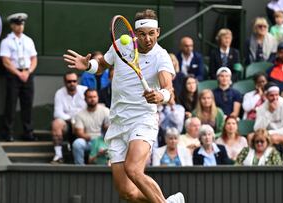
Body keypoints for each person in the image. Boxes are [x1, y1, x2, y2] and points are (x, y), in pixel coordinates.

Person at [63, 9, 185, 203]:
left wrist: (160, 95)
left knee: (133, 169)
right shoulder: (121, 45)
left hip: (143, 120)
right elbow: (102, 64)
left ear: (158, 32)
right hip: (118, 122)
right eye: (142, 34)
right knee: (127, 192)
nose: (147, 39)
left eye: (152, 34)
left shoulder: (161, 57)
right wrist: (88, 65)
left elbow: (168, 88)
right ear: (134, 34)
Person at [0, 13, 37, 141]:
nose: (20, 27)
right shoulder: (6, 41)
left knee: (28, 104)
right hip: (14, 75)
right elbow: (5, 61)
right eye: (17, 24)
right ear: (12, 25)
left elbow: (34, 59)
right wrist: (18, 73)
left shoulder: (28, 40)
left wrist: (28, 72)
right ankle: (7, 133)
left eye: (22, 24)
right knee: (11, 104)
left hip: (27, 74)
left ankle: (28, 132)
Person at [51, 71, 88, 163]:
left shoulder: (84, 90)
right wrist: (72, 120)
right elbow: (57, 113)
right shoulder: (59, 93)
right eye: (69, 81)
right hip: (68, 122)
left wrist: (78, 121)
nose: (72, 83)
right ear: (65, 82)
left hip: (85, 122)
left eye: (74, 81)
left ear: (77, 81)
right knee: (56, 123)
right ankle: (58, 155)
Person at [72, 89, 110, 165]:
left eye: (94, 97)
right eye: (90, 97)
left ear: (98, 98)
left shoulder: (106, 111)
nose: (92, 99)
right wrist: (93, 138)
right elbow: (80, 133)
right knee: (77, 143)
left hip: (103, 140)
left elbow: (111, 129)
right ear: (85, 98)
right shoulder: (80, 114)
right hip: (88, 141)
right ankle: (80, 169)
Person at [253, 82, 283, 147]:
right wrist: (269, 112)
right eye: (271, 95)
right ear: (266, 96)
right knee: (251, 136)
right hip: (266, 135)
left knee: (273, 138)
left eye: (276, 95)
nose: (275, 98)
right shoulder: (261, 108)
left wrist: (270, 133)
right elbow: (257, 129)